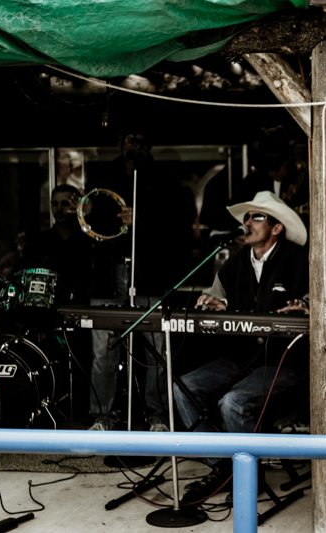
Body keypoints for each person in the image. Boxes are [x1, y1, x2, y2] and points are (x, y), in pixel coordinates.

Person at [174, 190, 309, 503]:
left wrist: (305, 308)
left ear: (276, 228)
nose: (248, 222)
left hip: (284, 362)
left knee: (233, 403)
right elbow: (216, 297)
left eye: (256, 217)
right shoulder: (234, 263)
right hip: (241, 358)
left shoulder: (298, 261)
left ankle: (245, 474)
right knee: (183, 389)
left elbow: (317, 301)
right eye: (247, 217)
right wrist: (213, 303)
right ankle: (227, 467)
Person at [86, 123, 194, 432]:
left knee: (157, 350)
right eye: (131, 139)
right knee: (102, 352)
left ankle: (157, 416)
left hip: (149, 274)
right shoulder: (102, 178)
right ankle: (102, 417)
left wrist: (142, 218)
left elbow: (177, 228)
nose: (137, 146)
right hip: (108, 274)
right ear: (120, 141)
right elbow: (90, 224)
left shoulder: (167, 182)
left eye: (143, 141)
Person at [199, 126, 308, 235]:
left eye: (279, 166)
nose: (274, 172)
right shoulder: (253, 182)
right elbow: (233, 216)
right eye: (270, 167)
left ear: (290, 160)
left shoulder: (303, 182)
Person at [22, 184, 92, 304]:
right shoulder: (40, 242)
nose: (59, 209)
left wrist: (87, 214)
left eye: (65, 203)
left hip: (80, 309)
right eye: (54, 204)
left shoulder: (85, 241)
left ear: (76, 205)